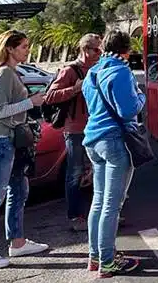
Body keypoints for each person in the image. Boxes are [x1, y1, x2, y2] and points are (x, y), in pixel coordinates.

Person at [0, 30, 49, 269]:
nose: (28, 50)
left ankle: (17, 242)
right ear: (10, 49)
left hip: (8, 139)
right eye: (24, 46)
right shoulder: (4, 73)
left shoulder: (9, 72)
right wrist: (31, 102)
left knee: (19, 188)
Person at [82, 29, 143, 277]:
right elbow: (128, 110)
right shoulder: (120, 71)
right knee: (112, 205)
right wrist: (141, 96)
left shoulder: (92, 73)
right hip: (114, 142)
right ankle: (108, 262)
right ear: (126, 51)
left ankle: (95, 258)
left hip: (93, 141)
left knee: (98, 202)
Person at [43, 33, 101, 232]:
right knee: (75, 173)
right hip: (75, 129)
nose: (99, 52)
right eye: (96, 49)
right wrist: (75, 89)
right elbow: (49, 97)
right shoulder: (70, 70)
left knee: (99, 171)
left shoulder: (97, 67)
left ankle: (100, 215)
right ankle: (75, 216)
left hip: (95, 127)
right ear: (85, 50)